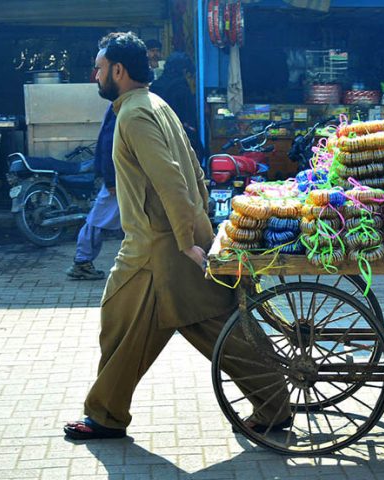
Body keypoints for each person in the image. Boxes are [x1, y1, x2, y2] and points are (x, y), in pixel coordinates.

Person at [63, 32, 290, 440]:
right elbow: (194, 170)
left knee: (216, 327)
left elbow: (170, 177)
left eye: (98, 68)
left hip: (163, 249)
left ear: (118, 69)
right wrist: (200, 223)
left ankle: (275, 406)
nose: (95, 75)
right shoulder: (153, 105)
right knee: (122, 325)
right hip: (155, 245)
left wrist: (187, 240)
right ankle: (106, 413)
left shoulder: (134, 114)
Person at [65, 105, 121, 280]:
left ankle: (82, 262)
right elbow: (108, 144)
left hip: (118, 177)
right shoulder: (120, 108)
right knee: (97, 220)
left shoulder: (117, 106)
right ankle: (82, 262)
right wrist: (111, 180)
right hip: (119, 179)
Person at [149, 52, 201, 156]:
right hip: (179, 140)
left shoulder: (155, 86)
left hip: (156, 138)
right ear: (184, 70)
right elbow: (190, 119)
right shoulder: (181, 88)